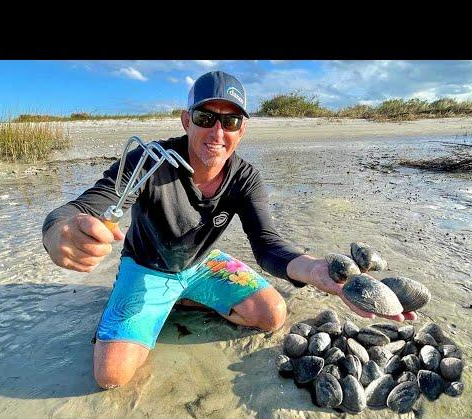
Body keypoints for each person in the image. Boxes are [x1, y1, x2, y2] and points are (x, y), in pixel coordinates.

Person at [42, 71, 417, 390]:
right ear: (186, 120)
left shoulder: (245, 178)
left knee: (273, 314)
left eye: (231, 121)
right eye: (206, 117)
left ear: (242, 129)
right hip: (147, 269)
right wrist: (60, 232)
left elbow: (267, 244)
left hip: (203, 262)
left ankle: (186, 297)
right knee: (112, 376)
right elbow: (88, 204)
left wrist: (316, 270)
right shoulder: (149, 160)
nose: (217, 132)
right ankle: (140, 301)